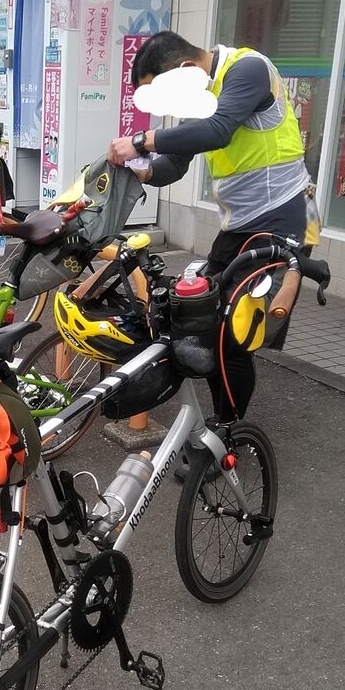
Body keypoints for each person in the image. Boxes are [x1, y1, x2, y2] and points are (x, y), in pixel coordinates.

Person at [108, 30, 310, 422]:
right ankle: (223, 423)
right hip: (242, 224)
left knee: (233, 334)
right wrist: (143, 171)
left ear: (185, 68)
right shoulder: (204, 93)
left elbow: (218, 130)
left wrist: (141, 140)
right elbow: (174, 162)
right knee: (201, 315)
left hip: (285, 216)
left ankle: (228, 430)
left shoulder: (248, 69)